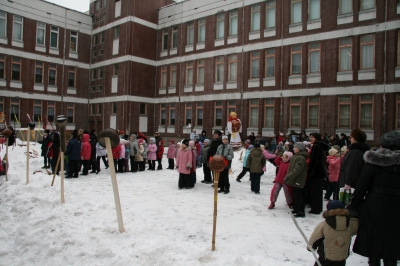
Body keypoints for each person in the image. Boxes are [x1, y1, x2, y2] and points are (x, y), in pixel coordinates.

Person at [348, 131, 400, 266]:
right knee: (393, 241)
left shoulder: (374, 162)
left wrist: (354, 205)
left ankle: (374, 262)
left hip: (375, 204)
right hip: (396, 206)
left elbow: (362, 185)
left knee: (374, 240)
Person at [308, 200, 359, 266]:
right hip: (342, 258)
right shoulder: (350, 225)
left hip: (325, 258)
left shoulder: (323, 225)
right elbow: (356, 228)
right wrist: (354, 217)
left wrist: (310, 247)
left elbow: (315, 238)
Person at [337, 129, 370, 197]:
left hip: (349, 185)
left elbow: (352, 169)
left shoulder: (355, 153)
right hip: (349, 182)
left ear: (356, 139)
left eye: (352, 137)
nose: (350, 139)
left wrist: (348, 183)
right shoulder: (356, 151)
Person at [284, 142, 309, 218]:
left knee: (299, 196)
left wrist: (288, 176)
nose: (294, 148)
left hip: (298, 180)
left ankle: (300, 211)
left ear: (300, 148)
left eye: (295, 147)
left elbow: (297, 170)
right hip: (294, 179)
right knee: (295, 195)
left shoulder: (301, 158)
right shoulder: (296, 156)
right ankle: (296, 208)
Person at [307, 132, 330, 215]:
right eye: (310, 137)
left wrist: (310, 170)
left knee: (315, 190)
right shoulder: (320, 145)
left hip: (317, 171)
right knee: (318, 190)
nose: (311, 139)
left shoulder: (316, 146)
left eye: (312, 137)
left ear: (316, 138)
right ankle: (317, 207)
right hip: (320, 170)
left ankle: (315, 208)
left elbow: (314, 159)